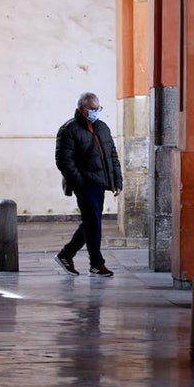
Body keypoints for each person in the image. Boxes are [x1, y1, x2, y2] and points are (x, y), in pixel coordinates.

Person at [54, 92, 123, 277]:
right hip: (85, 184)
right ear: (81, 109)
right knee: (93, 222)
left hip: (100, 183)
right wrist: (80, 183)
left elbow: (112, 156)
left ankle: (67, 254)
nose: (95, 112)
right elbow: (63, 161)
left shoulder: (102, 128)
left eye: (97, 108)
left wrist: (117, 180)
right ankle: (96, 263)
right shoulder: (69, 129)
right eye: (92, 109)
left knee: (92, 222)